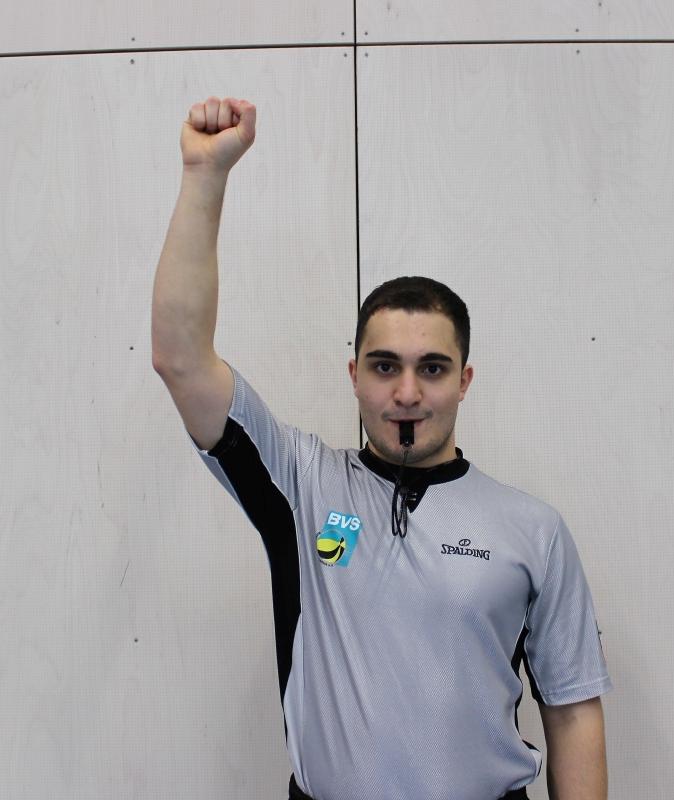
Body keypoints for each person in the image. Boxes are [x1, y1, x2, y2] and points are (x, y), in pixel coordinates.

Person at [152, 96, 612, 800]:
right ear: (355, 376)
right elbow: (181, 359)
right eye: (385, 366)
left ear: (464, 381)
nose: (407, 393)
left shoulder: (534, 530)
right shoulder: (301, 486)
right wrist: (203, 175)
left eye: (432, 368)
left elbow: (573, 710)